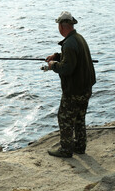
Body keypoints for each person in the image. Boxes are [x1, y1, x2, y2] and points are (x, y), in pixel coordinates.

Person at [45, 11, 96, 158]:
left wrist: (53, 65)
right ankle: (80, 146)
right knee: (79, 118)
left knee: (64, 118)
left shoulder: (68, 43)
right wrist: (57, 55)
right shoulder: (79, 38)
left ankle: (66, 150)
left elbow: (67, 68)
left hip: (74, 91)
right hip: (85, 88)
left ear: (61, 26)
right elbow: (73, 59)